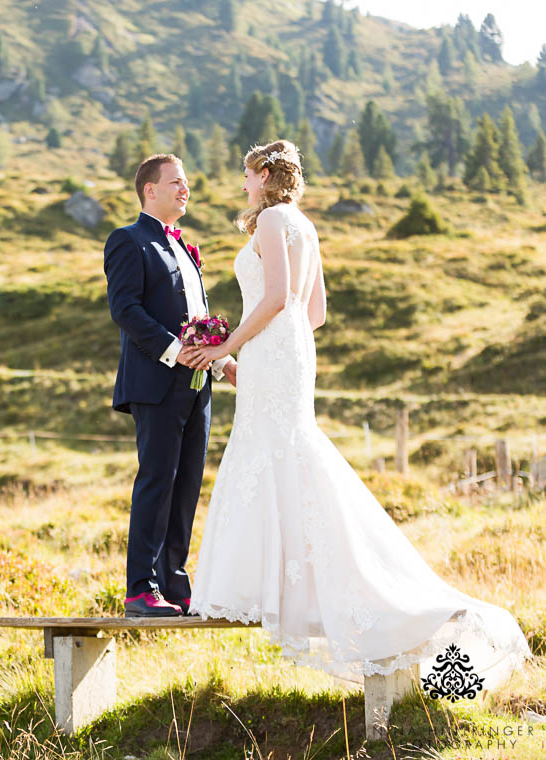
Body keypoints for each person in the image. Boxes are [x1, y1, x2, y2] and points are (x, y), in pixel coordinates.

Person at [187, 139, 531, 688]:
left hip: (274, 345)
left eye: (248, 175)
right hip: (292, 349)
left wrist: (229, 344)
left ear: (267, 174)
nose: (243, 184)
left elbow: (275, 297)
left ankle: (266, 586)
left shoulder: (273, 219)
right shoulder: (305, 224)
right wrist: (269, 343)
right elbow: (314, 311)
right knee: (288, 448)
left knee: (273, 448)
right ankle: (290, 580)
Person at [103, 153, 235, 618]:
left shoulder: (187, 248)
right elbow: (125, 309)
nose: (186, 189)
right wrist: (172, 349)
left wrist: (221, 362)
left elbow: (198, 323)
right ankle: (141, 588)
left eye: (187, 183)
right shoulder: (128, 240)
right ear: (149, 190)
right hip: (155, 382)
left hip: (198, 386)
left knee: (187, 486)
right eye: (176, 182)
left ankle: (175, 585)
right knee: (157, 482)